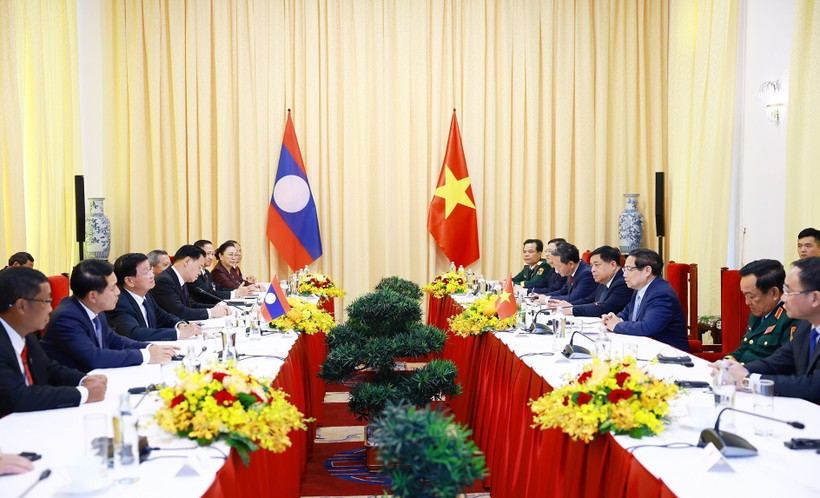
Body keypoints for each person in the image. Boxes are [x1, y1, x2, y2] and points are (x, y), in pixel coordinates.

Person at [710, 257, 820, 402]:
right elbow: (779, 360)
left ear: (814, 298)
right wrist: (739, 370)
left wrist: (748, 380)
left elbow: (814, 386)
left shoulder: (799, 322)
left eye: (789, 292)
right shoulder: (806, 326)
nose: (784, 298)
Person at [0, 267, 107, 416]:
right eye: (46, 301)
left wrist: (84, 379)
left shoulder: (27, 334)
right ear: (21, 306)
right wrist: (83, 393)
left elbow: (48, 368)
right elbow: (18, 396)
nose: (51, 309)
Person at [40, 260, 178, 373]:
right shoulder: (67, 317)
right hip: (73, 388)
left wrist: (148, 348)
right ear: (93, 295)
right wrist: (146, 356)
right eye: (112, 288)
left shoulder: (94, 308)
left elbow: (113, 339)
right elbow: (94, 357)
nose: (118, 292)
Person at [601, 248, 689, 351]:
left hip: (669, 355)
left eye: (629, 269)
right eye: (624, 270)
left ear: (647, 271)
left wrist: (617, 325)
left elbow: (647, 327)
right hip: (646, 348)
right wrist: (611, 319)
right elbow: (627, 312)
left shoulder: (661, 294)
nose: (624, 274)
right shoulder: (640, 288)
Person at [108, 253, 203, 341]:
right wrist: (179, 333)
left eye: (150, 269)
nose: (152, 275)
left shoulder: (147, 296)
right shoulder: (120, 302)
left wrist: (180, 325)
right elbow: (135, 333)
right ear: (129, 281)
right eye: (146, 272)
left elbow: (163, 317)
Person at [724, 259, 798, 363]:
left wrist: (745, 371)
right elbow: (743, 349)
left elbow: (786, 363)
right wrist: (725, 363)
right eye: (744, 295)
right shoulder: (758, 311)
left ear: (774, 293)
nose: (747, 302)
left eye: (751, 296)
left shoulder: (790, 317)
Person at [150, 245, 230, 320]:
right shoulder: (164, 281)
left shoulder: (179, 278)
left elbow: (191, 304)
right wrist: (211, 312)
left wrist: (217, 306)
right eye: (199, 267)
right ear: (187, 262)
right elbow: (179, 312)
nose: (199, 273)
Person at [552, 246, 632, 317]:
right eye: (591, 266)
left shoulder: (623, 283)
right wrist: (569, 305)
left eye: (597, 265)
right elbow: (589, 300)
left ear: (613, 265)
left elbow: (604, 308)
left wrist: (572, 309)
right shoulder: (604, 281)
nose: (592, 270)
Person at [188, 240, 254, 305]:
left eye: (212, 254)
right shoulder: (194, 274)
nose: (211, 257)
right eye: (208, 254)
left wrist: (237, 291)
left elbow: (217, 287)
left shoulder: (206, 272)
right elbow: (208, 293)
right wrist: (236, 293)